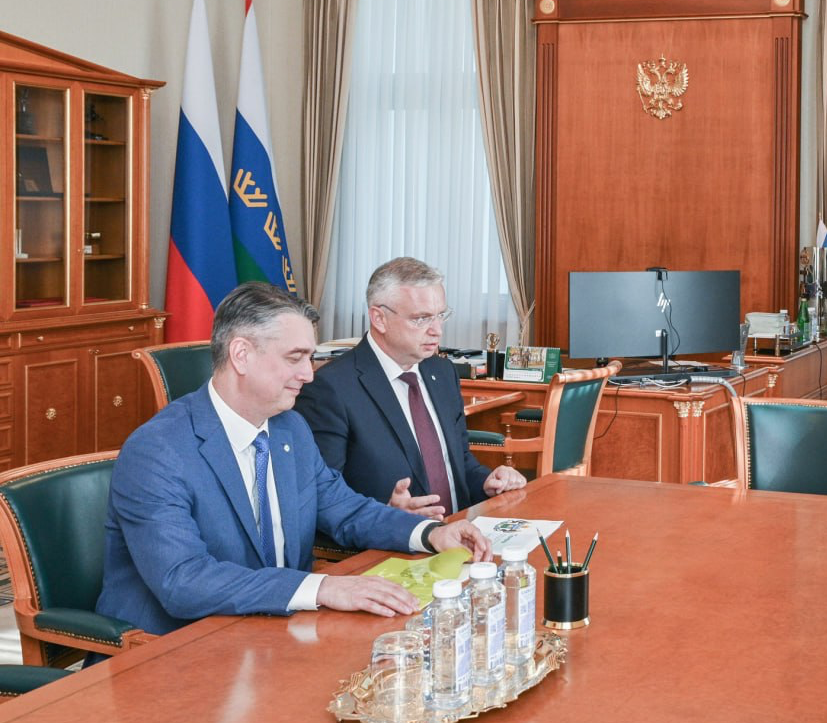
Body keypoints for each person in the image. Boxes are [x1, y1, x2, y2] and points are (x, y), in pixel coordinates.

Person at [96, 283, 491, 637]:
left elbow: (345, 509)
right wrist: (322, 587)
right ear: (241, 355)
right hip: (174, 650)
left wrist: (430, 533)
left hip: (275, 632)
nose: (309, 375)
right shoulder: (158, 451)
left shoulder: (290, 429)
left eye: (310, 358)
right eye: (295, 358)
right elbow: (183, 581)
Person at [294, 257, 525, 524]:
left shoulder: (442, 372)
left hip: (459, 532)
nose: (436, 330)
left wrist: (488, 481)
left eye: (441, 315)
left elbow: (458, 463)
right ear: (379, 318)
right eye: (421, 319)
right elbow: (323, 499)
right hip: (390, 542)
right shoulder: (330, 388)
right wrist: (387, 515)